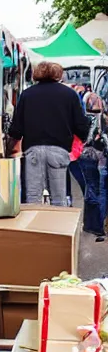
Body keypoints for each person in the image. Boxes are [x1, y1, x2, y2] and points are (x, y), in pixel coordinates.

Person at [9, 62, 90, 206]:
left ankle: (34, 226)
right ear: (58, 74)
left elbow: (16, 128)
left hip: (32, 149)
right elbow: (81, 125)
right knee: (59, 198)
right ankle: (56, 227)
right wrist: (81, 138)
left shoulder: (27, 94)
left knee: (32, 197)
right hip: (59, 149)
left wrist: (12, 143)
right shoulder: (70, 94)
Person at [77, 92, 108, 241]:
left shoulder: (86, 118)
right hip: (98, 157)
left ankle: (92, 224)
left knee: (91, 189)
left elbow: (87, 138)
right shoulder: (101, 119)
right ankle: (95, 225)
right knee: (96, 190)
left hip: (87, 155)